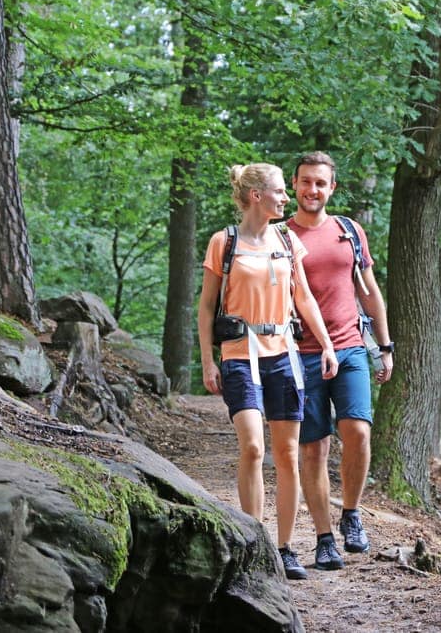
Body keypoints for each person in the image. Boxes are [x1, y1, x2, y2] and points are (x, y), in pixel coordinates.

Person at [197, 162, 338, 580]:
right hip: (240, 355)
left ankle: (284, 547)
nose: (286, 197)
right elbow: (206, 307)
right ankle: (255, 543)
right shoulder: (224, 242)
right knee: (254, 448)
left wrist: (326, 345)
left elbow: (304, 298)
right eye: (279, 191)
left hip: (283, 355)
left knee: (288, 453)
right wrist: (208, 360)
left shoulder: (287, 240)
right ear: (257, 195)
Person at [287, 151, 394, 571]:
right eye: (306, 181)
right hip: (301, 355)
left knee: (358, 431)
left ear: (332, 188)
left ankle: (351, 513)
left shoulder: (349, 231)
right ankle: (324, 539)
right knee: (313, 449)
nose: (312, 189)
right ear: (294, 184)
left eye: (320, 183)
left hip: (350, 348)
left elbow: (369, 290)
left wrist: (384, 346)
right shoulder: (280, 236)